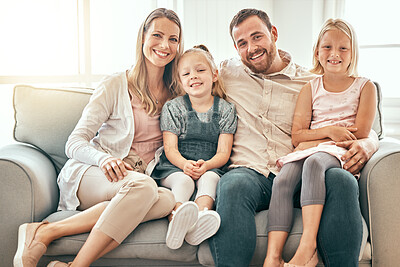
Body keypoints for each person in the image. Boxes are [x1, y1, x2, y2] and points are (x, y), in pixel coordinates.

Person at [208, 8, 379, 267]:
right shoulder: (226, 73)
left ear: (273, 34)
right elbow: (186, 74)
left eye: (257, 37)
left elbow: (356, 124)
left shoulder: (311, 82)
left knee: (341, 179)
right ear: (235, 48)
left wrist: (369, 142)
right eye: (242, 43)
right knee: (232, 186)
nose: (251, 48)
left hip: (299, 174)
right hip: (249, 172)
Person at [13, 8, 183, 267]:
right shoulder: (114, 84)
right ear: (142, 38)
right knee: (145, 188)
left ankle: (47, 232)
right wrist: (103, 159)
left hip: (135, 181)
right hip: (94, 172)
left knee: (166, 200)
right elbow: (75, 141)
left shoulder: (176, 93)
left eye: (173, 39)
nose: (164, 45)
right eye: (157, 35)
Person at [264, 19, 377, 267]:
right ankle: (272, 257)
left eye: (343, 48)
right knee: (282, 179)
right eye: (327, 47)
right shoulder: (310, 88)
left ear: (352, 53)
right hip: (313, 147)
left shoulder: (365, 87)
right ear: (317, 51)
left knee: (314, 162)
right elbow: (297, 135)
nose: (334, 54)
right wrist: (330, 132)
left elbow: (361, 132)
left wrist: (328, 138)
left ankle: (308, 246)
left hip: (337, 151)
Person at [152, 45, 237, 250]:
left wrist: (206, 166)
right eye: (187, 73)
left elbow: (224, 153)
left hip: (209, 165)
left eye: (200, 70)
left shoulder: (226, 109)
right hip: (174, 167)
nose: (194, 77)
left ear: (214, 74)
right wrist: (185, 165)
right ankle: (176, 221)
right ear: (181, 82)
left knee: (211, 180)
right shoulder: (173, 107)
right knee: (184, 182)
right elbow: (170, 149)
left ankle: (200, 219)